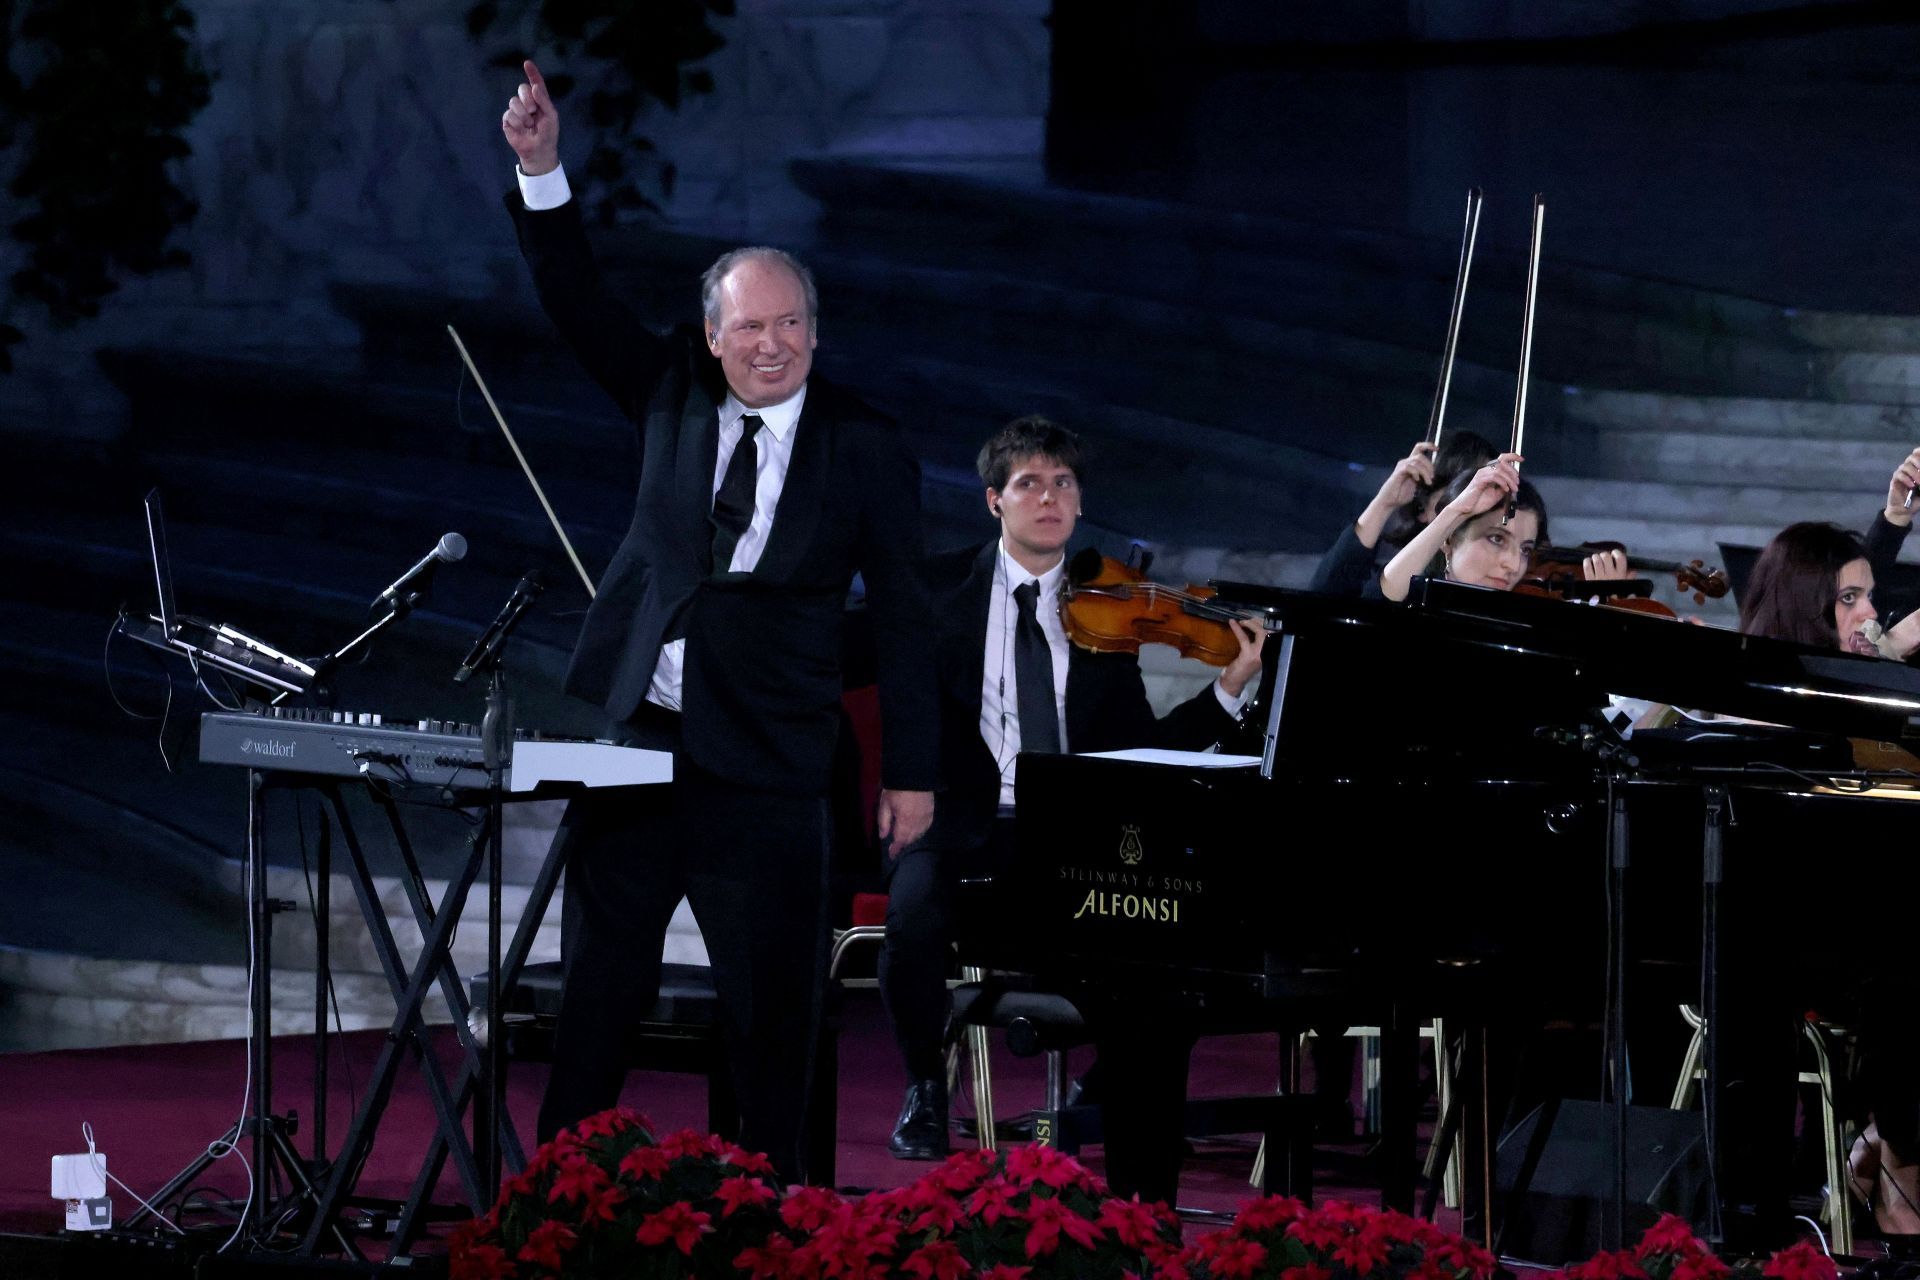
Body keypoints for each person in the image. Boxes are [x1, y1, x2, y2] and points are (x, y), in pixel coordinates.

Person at [500, 60, 938, 1183]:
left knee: (773, 1012)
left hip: (775, 760)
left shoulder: (867, 443)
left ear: (815, 333)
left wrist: (913, 774)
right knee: (601, 987)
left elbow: (901, 615)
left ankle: (781, 1213)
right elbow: (575, 298)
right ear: (711, 335)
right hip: (645, 744)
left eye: (791, 325)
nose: (772, 345)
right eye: (751, 328)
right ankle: (558, 1202)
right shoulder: (668, 393)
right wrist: (543, 170)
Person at [878, 416, 1265, 1189]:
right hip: (966, 824)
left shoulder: (1106, 612)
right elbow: (903, 699)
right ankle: (926, 1084)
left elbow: (1136, 748)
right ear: (994, 501)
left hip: (1073, 835)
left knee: (1171, 945)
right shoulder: (937, 589)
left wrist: (1226, 692)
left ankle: (1114, 1090)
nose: (1048, 498)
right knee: (912, 915)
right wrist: (904, 779)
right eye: (1029, 483)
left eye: (1062, 483)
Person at [1310, 432, 1498, 597]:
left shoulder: (1495, 572)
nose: (1471, 502)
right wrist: (1383, 504)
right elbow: (1323, 604)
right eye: (1462, 489)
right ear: (1424, 508)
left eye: (1484, 491)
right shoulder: (1396, 581)